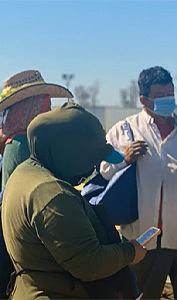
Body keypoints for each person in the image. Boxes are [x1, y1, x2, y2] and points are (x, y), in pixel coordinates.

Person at [1, 102, 147, 299]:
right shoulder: (53, 195)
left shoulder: (24, 173)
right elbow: (88, 263)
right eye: (91, 160)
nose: (93, 169)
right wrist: (131, 252)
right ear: (71, 155)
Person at [100, 66, 177, 299]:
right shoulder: (123, 131)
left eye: (171, 94)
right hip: (142, 240)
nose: (168, 100)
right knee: (141, 295)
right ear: (143, 99)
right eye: (160, 96)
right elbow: (103, 173)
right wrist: (125, 160)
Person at [0, 70, 73, 299]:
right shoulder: (23, 144)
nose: (49, 111)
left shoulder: (14, 140)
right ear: (31, 108)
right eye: (45, 105)